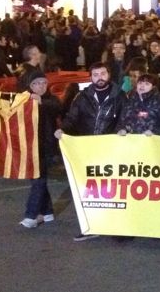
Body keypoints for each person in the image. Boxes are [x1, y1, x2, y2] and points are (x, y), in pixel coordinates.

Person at [56, 62, 126, 241]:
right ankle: (90, 225)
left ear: (109, 74)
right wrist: (62, 129)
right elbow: (72, 117)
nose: (100, 77)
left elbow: (125, 118)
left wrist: (123, 130)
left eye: (103, 73)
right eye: (95, 74)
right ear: (90, 77)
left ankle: (114, 225)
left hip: (109, 149)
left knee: (111, 190)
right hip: (86, 150)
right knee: (88, 190)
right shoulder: (82, 96)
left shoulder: (120, 96)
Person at [19, 72, 61, 228]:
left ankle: (31, 215)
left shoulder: (51, 100)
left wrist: (41, 101)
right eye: (37, 83)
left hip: (46, 148)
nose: (41, 86)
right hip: (29, 146)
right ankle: (47, 212)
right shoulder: (23, 100)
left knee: (38, 180)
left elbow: (58, 108)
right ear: (30, 86)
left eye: (44, 83)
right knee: (38, 180)